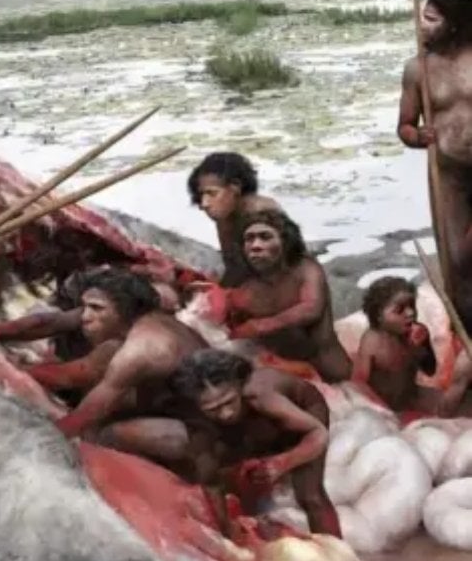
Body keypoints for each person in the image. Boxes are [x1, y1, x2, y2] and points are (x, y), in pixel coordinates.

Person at [171, 348, 342, 542]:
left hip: (306, 418)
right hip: (258, 425)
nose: (226, 413)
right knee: (226, 475)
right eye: (214, 409)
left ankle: (340, 557)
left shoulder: (260, 395)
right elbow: (211, 483)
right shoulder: (198, 425)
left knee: (310, 494)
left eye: (229, 402)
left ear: (239, 385)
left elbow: (318, 433)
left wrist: (282, 463)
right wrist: (226, 535)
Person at [52, 268, 208, 439]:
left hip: (201, 431)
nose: (85, 316)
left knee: (103, 436)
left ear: (124, 309)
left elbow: (78, 421)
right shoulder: (156, 321)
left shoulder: (139, 350)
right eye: (85, 307)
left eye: (96, 308)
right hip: (186, 411)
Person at [399, 0, 472, 326]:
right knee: (455, 257)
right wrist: (418, 137)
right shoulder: (418, 70)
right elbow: (405, 126)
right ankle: (466, 330)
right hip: (448, 173)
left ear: (454, 24)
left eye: (431, 19)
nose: (421, 25)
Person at [222, 208, 352, 383]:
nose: (255, 246)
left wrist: (261, 325)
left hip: (327, 370)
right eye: (249, 239)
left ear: (285, 242)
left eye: (265, 237)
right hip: (274, 369)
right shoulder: (243, 280)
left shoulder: (305, 268)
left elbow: (311, 308)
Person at [186, 152, 285, 288]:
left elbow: (275, 275)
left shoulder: (260, 213)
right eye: (202, 195)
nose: (204, 204)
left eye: (211, 193)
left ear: (235, 187)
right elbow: (233, 266)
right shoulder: (225, 215)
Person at [352, 276, 442, 417]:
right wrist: (379, 411)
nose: (410, 313)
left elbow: (431, 370)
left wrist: (422, 348)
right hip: (381, 404)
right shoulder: (372, 342)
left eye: (411, 306)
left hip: (411, 397)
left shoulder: (418, 333)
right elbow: (358, 386)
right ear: (379, 316)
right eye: (399, 310)